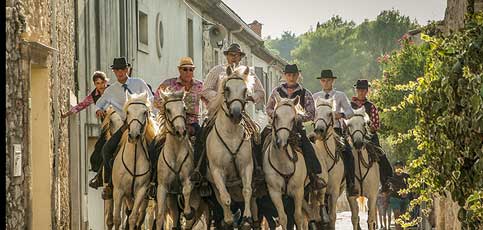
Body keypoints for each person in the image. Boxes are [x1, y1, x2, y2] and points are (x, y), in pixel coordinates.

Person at [192, 43, 265, 183]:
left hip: (241, 112)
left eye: (236, 55)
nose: (234, 57)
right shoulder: (217, 71)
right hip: (218, 112)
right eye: (231, 55)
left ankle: (258, 170)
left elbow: (260, 92)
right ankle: (198, 171)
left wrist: (249, 97)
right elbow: (205, 90)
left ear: (240, 57)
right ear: (226, 56)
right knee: (202, 135)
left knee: (256, 135)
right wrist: (221, 97)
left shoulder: (248, 72)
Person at [96, 57, 154, 199]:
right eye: (117, 70)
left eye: (122, 69)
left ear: (127, 70)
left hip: (142, 124)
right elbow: (99, 103)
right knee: (106, 149)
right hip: (123, 126)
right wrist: (99, 110)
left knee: (155, 148)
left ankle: (154, 183)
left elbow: (151, 99)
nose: (120, 72)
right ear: (114, 72)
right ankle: (109, 183)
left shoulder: (139, 83)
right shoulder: (111, 90)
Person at [148, 57, 203, 196]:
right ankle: (153, 180)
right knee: (154, 145)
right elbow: (156, 100)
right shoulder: (168, 84)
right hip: (171, 126)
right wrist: (168, 108)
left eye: (191, 69)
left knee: (204, 145)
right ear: (179, 70)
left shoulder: (200, 86)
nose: (188, 72)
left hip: (192, 123)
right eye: (185, 69)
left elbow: (209, 101)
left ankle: (201, 177)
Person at [264, 64, 325, 189]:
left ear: (298, 76)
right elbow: (268, 108)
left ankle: (314, 176)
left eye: (294, 75)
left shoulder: (305, 93)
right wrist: (276, 115)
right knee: (262, 140)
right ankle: (259, 173)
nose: (291, 77)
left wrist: (296, 117)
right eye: (289, 75)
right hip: (277, 126)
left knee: (308, 147)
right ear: (285, 76)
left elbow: (311, 113)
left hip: (295, 128)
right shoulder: (276, 92)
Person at [312, 69, 358, 196]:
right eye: (323, 80)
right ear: (321, 82)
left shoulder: (340, 95)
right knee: (308, 151)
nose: (326, 83)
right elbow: (309, 113)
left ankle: (350, 183)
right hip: (319, 130)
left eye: (328, 80)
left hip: (336, 130)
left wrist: (341, 115)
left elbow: (350, 112)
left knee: (348, 153)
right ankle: (311, 182)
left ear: (333, 81)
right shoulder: (315, 97)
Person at [61, 71, 110, 189]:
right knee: (98, 151)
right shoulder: (93, 95)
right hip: (106, 126)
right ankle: (99, 177)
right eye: (97, 83)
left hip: (118, 121)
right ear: (95, 84)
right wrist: (68, 113)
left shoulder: (112, 90)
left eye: (102, 83)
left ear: (105, 82)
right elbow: (81, 105)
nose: (100, 86)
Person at [350, 79, 393, 191]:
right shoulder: (349, 106)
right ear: (356, 90)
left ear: (367, 91)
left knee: (380, 154)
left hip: (369, 136)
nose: (361, 92)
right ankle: (345, 181)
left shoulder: (371, 106)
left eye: (364, 90)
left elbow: (376, 124)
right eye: (359, 89)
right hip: (352, 135)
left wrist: (371, 127)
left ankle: (386, 181)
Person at [387, 161, 410, 230]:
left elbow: (410, 187)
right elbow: (387, 186)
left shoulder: (406, 176)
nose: (399, 167)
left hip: (405, 199)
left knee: (403, 217)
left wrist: (407, 193)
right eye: (397, 166)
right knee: (397, 216)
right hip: (394, 198)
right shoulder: (391, 176)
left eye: (400, 166)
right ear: (394, 167)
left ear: (403, 167)